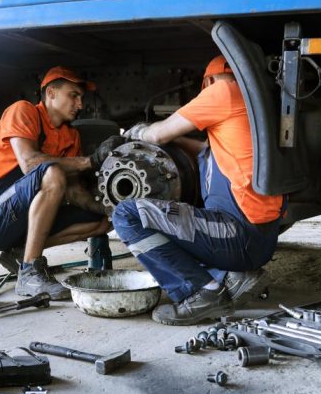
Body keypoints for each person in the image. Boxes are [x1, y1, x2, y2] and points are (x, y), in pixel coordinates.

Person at [112, 55, 285, 325]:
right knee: (177, 228)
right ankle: (229, 276)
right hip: (259, 241)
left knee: (127, 215)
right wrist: (178, 139)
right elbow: (207, 149)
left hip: (235, 233)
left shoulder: (224, 91)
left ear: (209, 82)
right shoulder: (254, 107)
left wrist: (137, 132)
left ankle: (201, 293)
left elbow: (157, 135)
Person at [0, 66, 111, 299]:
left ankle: (20, 253)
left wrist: (109, 209)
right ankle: (30, 274)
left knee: (102, 222)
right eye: (73, 95)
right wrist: (90, 161)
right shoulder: (23, 111)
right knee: (52, 172)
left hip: (22, 222)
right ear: (51, 92)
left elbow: (74, 191)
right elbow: (29, 163)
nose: (80, 104)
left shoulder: (71, 136)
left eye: (81, 98)